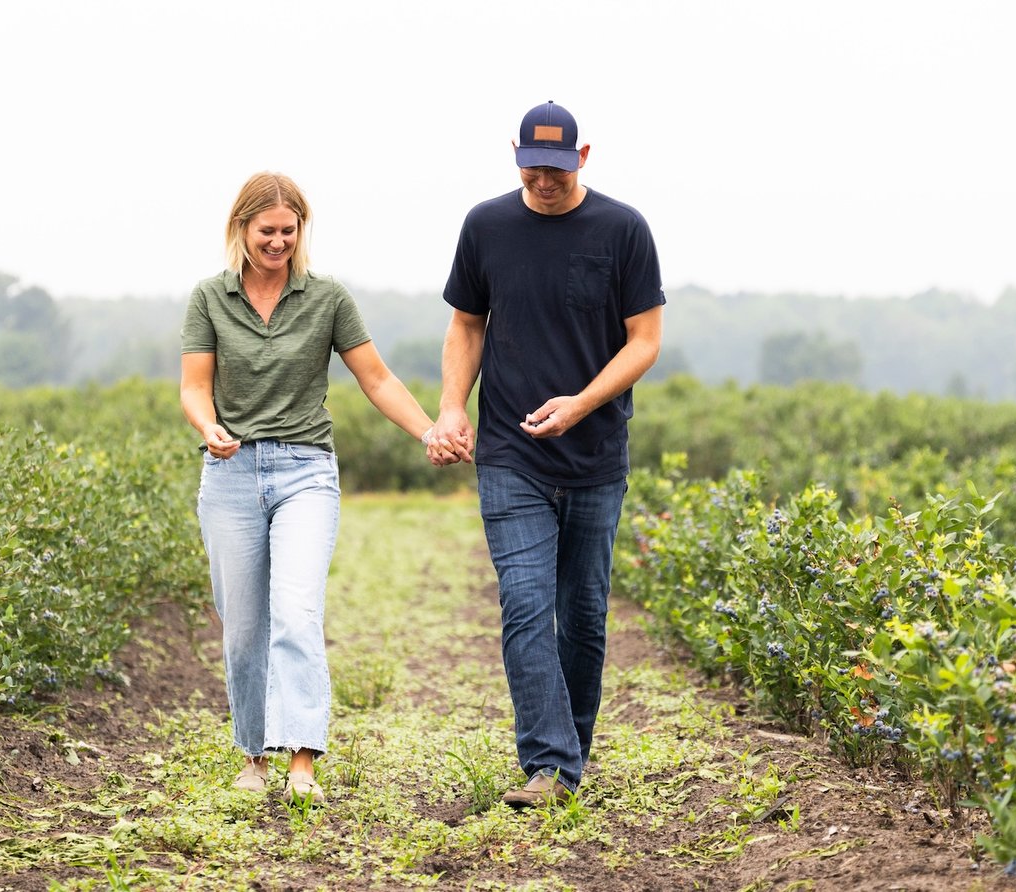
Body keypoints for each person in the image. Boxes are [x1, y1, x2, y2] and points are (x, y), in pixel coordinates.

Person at [430, 100, 665, 808]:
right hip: (509, 452)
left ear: (583, 158)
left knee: (584, 614)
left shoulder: (623, 230)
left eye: (557, 171)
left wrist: (582, 403)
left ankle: (569, 759)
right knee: (527, 605)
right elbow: (467, 325)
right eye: (532, 169)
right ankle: (550, 767)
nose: (544, 182)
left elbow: (645, 341)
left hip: (595, 456)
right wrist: (451, 406)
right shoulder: (487, 225)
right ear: (515, 156)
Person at [181, 171, 440, 805]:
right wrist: (208, 424)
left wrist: (429, 431)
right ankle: (252, 755)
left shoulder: (328, 299)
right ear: (241, 229)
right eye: (266, 231)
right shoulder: (210, 299)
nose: (278, 243)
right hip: (232, 471)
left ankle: (302, 762)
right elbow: (193, 385)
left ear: (302, 230)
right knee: (243, 626)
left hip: (305, 472)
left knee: (296, 613)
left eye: (288, 232)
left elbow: (375, 380)